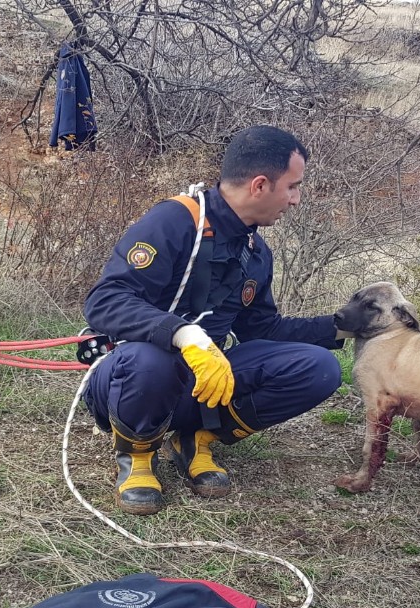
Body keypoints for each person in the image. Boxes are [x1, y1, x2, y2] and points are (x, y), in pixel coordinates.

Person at [82, 125, 348, 515]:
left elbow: (262, 330)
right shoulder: (175, 221)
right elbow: (105, 301)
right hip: (129, 382)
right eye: (293, 187)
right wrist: (184, 333)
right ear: (260, 185)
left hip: (201, 386)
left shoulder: (257, 253)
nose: (296, 200)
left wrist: (342, 326)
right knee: (153, 359)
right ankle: (137, 455)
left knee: (319, 368)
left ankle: (195, 438)